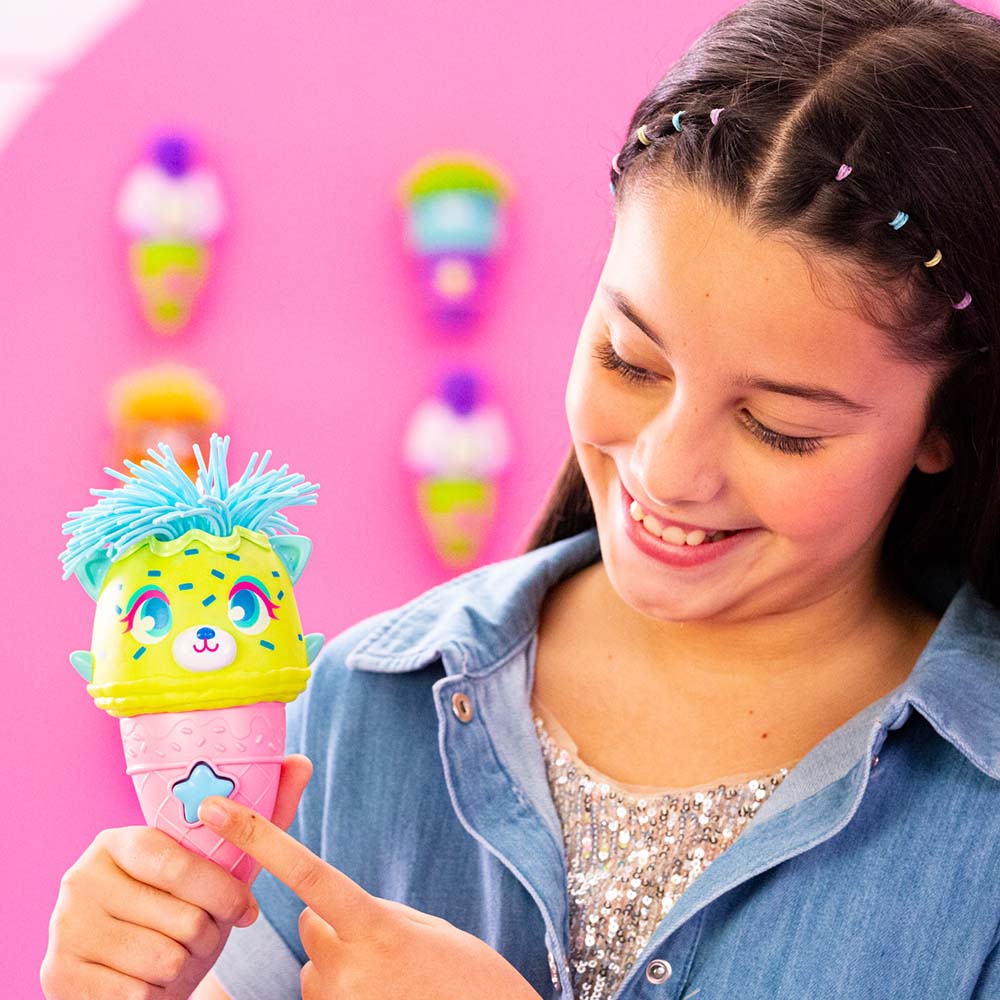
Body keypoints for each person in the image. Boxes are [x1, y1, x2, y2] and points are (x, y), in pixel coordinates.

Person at [41, 0, 1000, 997]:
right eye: (630, 360)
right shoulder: (360, 705)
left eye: (779, 426)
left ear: (946, 421)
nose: (669, 471)